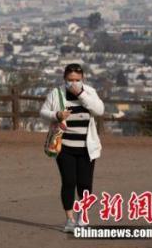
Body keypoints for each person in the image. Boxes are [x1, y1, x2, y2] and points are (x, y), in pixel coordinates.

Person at [40, 63, 104, 233]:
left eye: (77, 80)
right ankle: (69, 219)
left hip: (86, 148)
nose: (73, 83)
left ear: (82, 79)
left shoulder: (89, 92)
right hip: (64, 146)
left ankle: (83, 217)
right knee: (68, 182)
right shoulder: (56, 93)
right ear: (64, 79)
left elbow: (99, 110)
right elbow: (43, 112)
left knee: (85, 183)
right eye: (70, 80)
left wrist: (81, 94)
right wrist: (56, 115)